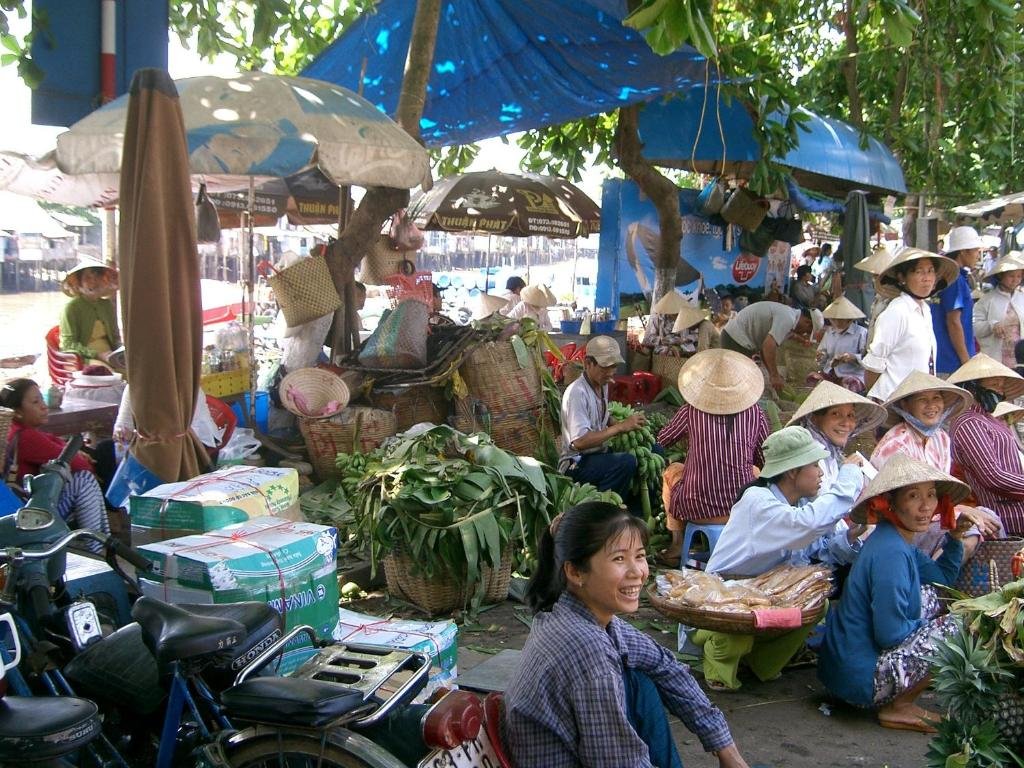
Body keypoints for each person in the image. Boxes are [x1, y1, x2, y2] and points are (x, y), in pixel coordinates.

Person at [504, 501, 750, 768]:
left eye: (640, 556)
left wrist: (726, 749)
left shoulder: (575, 614)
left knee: (642, 676)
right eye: (619, 559)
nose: (637, 573)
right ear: (575, 572)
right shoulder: (589, 652)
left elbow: (665, 664)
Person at [694, 426, 864, 691]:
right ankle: (717, 654)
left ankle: (761, 662)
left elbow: (819, 548)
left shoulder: (797, 503)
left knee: (817, 604)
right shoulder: (758, 501)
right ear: (793, 471)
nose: (820, 473)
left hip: (768, 591)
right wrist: (850, 476)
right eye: (815, 465)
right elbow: (807, 525)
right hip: (729, 594)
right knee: (740, 626)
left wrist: (851, 537)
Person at [818, 455, 971, 733]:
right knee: (960, 625)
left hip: (848, 670)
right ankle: (898, 707)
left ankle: (905, 688)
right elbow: (890, 634)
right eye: (913, 496)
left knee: (935, 598)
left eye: (931, 495)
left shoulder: (900, 540)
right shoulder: (892, 552)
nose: (926, 507)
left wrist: (955, 539)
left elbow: (942, 581)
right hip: (860, 679)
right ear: (889, 503)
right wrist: (930, 631)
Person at [657, 350, 769, 565]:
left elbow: (662, 440)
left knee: (672, 471)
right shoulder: (756, 414)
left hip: (695, 508)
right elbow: (764, 458)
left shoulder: (690, 411)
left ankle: (677, 544)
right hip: (740, 508)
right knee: (755, 471)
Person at [1, 379, 111, 545]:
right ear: (17, 412)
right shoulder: (25, 436)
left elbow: (57, 444)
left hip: (30, 508)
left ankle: (103, 542)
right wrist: (78, 456)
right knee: (84, 480)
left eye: (42, 399)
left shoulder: (20, 430)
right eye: (35, 402)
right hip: (32, 516)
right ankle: (96, 546)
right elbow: (81, 465)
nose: (43, 406)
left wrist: (75, 453)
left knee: (86, 476)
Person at [560, 336, 648, 507]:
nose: (610, 372)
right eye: (605, 366)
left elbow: (602, 416)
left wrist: (621, 424)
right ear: (588, 363)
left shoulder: (602, 384)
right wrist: (620, 428)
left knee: (650, 451)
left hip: (599, 453)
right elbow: (579, 441)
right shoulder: (577, 393)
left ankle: (631, 509)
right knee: (626, 462)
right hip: (576, 463)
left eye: (614, 366)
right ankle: (602, 510)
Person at [861, 248, 959, 401]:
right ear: (902, 278)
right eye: (919, 272)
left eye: (930, 271)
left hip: (919, 400)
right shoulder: (897, 311)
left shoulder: (925, 310)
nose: (926, 278)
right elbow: (874, 363)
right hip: (894, 400)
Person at [948, 353, 1024, 535]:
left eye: (1001, 384)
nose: (1000, 389)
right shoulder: (969, 423)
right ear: (974, 386)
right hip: (1006, 513)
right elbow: (993, 477)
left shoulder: (988, 419)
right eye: (994, 383)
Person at [721, 301, 823, 394]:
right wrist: (774, 375)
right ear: (807, 322)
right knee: (736, 386)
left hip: (735, 338)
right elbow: (768, 346)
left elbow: (769, 345)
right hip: (736, 339)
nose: (804, 333)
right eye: (807, 331)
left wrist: (772, 374)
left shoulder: (789, 315)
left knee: (738, 384)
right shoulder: (788, 318)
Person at [933, 226, 985, 375]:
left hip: (944, 359)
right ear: (963, 251)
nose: (977, 255)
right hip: (952, 363)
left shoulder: (948, 276)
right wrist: (965, 361)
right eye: (975, 250)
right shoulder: (954, 278)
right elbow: (954, 322)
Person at [58, 258, 123, 369]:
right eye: (88, 278)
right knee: (105, 373)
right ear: (78, 283)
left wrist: (120, 351)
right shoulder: (71, 308)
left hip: (110, 354)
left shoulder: (106, 305)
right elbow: (67, 344)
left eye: (98, 277)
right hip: (84, 358)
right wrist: (97, 355)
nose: (94, 281)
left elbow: (115, 336)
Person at [972, 253, 1024, 366]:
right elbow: (975, 327)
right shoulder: (986, 300)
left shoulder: (1022, 298)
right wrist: (992, 325)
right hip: (995, 358)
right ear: (1001, 276)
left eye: (1019, 276)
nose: (1015, 280)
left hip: (1020, 358)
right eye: (1011, 276)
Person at [809, 296, 869, 393]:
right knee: (812, 379)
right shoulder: (829, 332)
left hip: (852, 375)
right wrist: (821, 356)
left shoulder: (862, 333)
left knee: (848, 385)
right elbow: (822, 354)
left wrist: (852, 357)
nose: (835, 322)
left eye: (839, 319)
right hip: (830, 373)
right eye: (833, 319)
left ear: (849, 319)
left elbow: (867, 359)